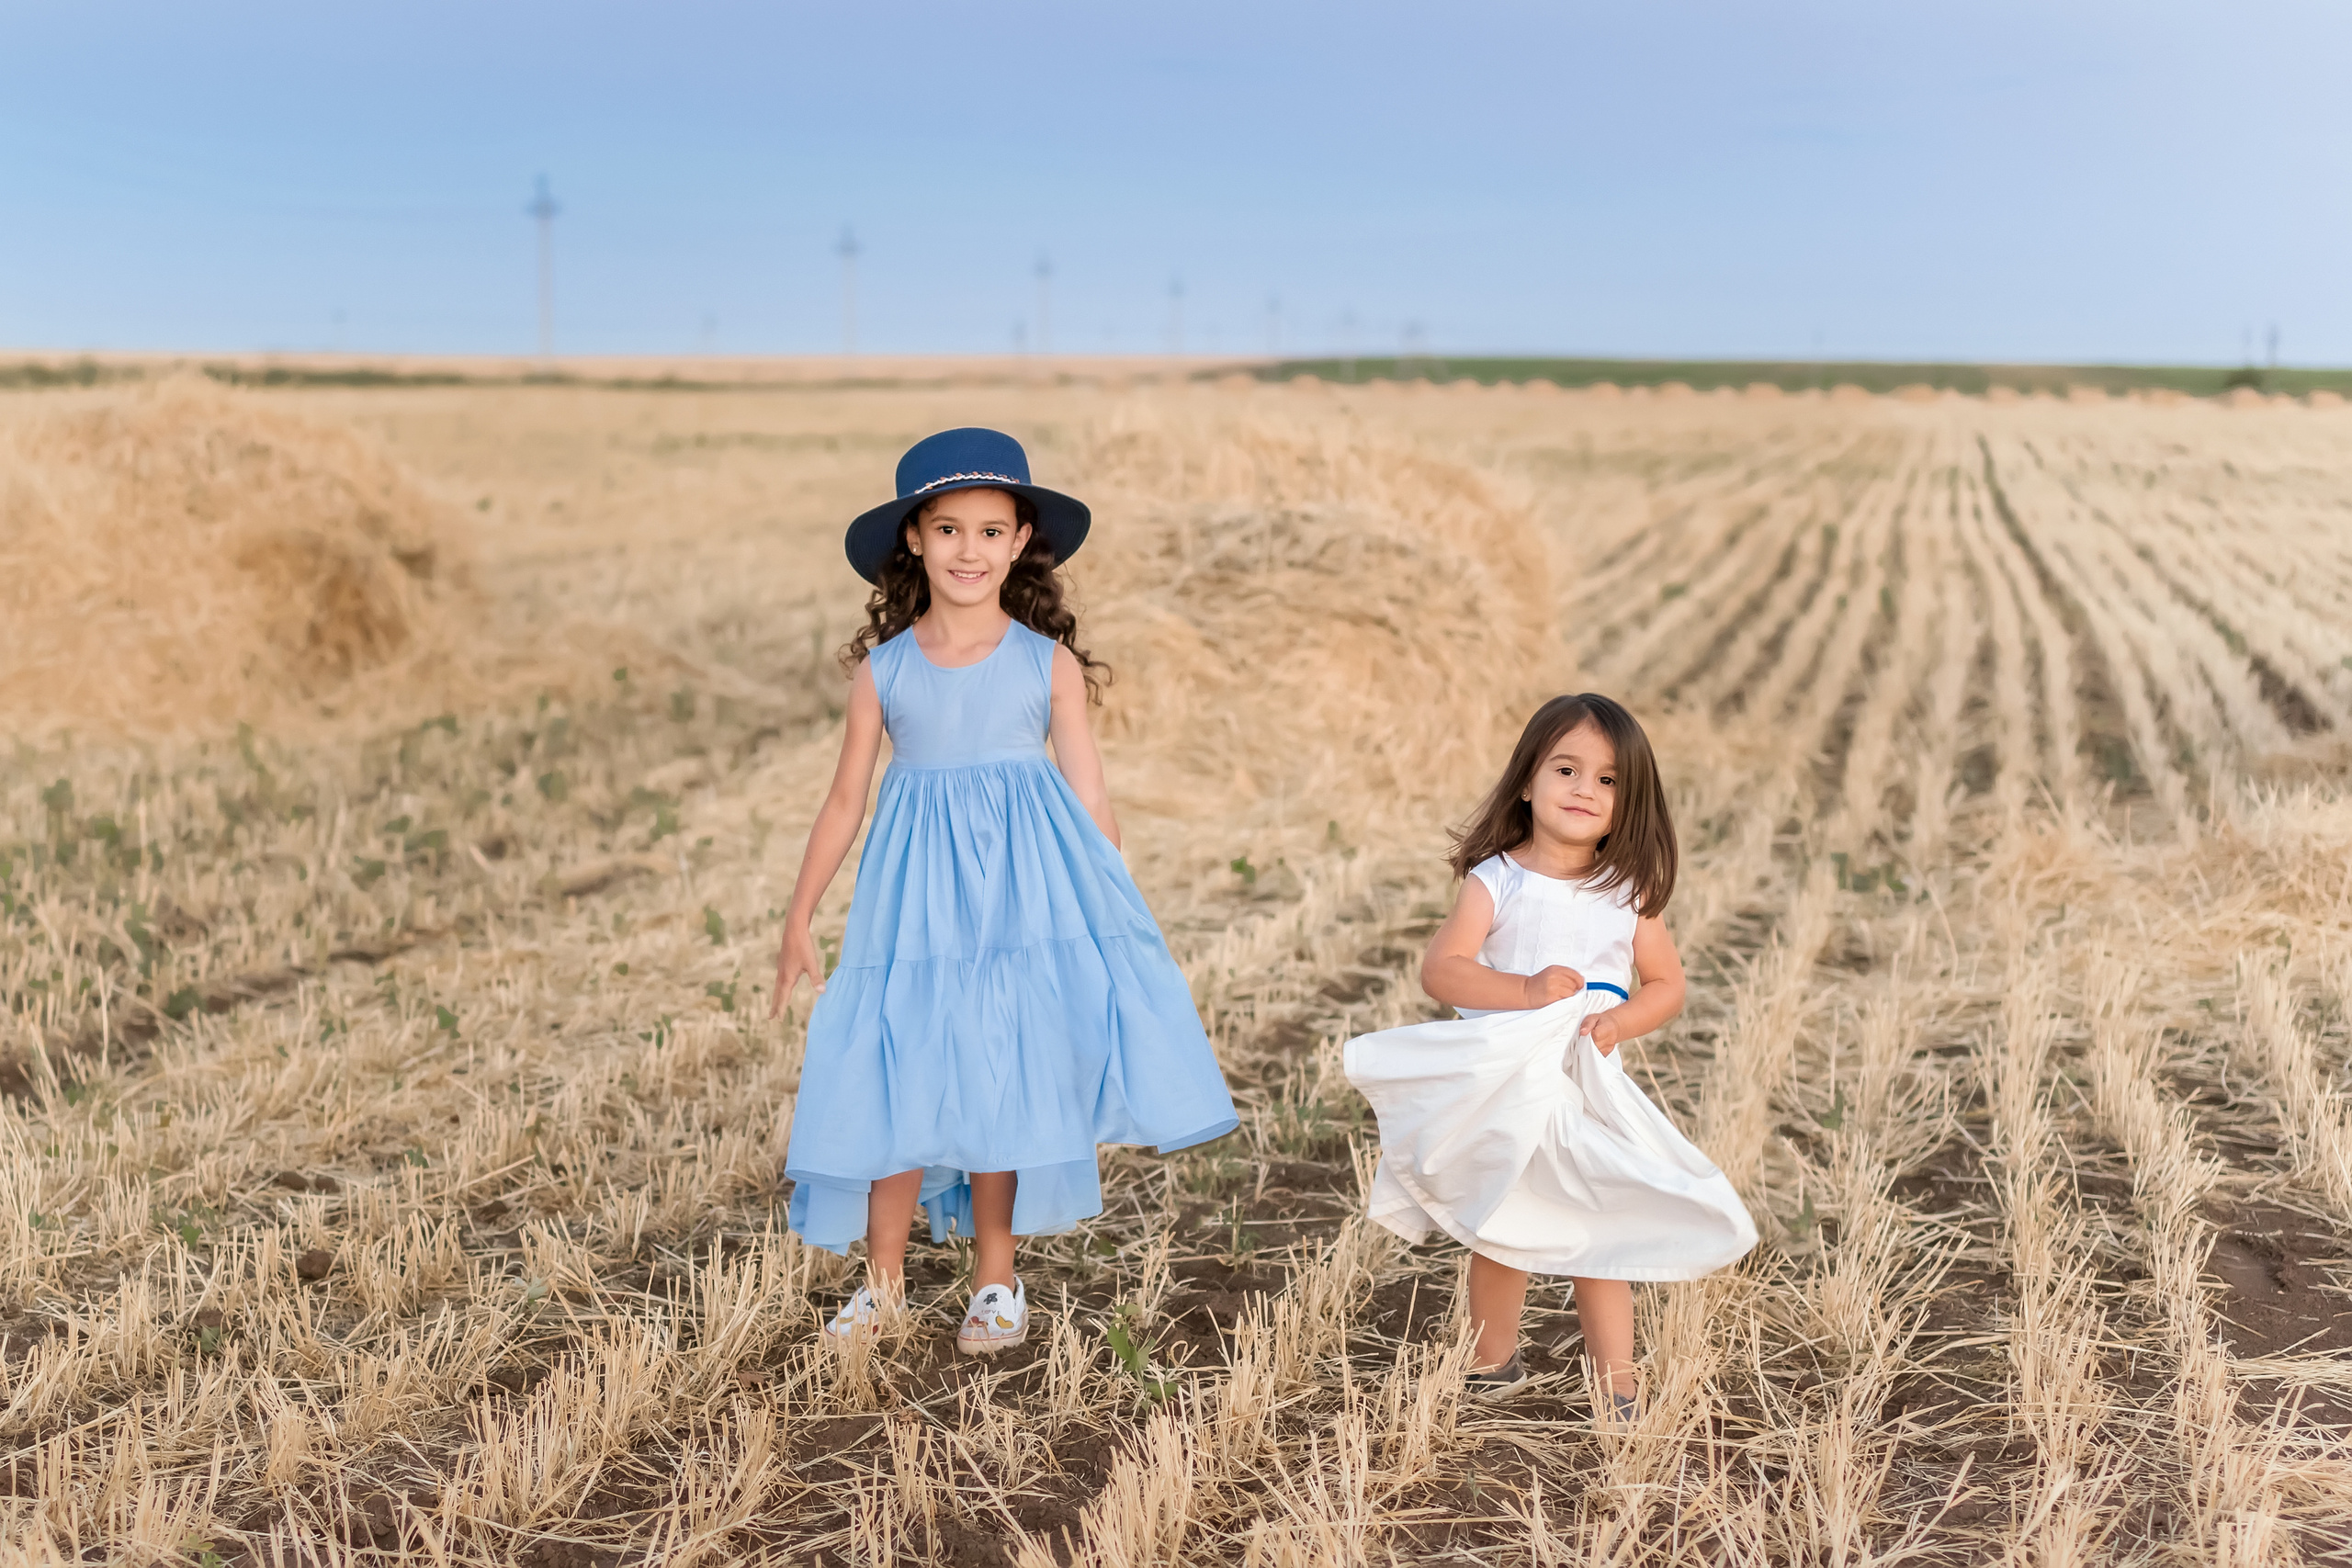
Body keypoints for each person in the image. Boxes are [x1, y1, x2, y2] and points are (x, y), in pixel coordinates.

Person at [771, 427, 1238, 1357]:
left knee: (1002, 1071)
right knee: (898, 1066)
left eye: (991, 531)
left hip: (1024, 900)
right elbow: (843, 800)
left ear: (1022, 542)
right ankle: (881, 1287)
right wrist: (797, 917)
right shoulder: (885, 669)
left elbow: (1089, 793)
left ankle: (995, 1281)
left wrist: (1108, 913)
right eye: (947, 530)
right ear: (913, 541)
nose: (968, 551)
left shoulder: (1046, 663)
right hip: (911, 902)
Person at [1343, 694, 1756, 1423]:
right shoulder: (1496, 880)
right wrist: (1524, 989)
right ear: (1528, 781)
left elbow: (1668, 985)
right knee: (1504, 1225)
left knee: (1597, 1227)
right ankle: (1489, 1364)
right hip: (1506, 1086)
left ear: (1628, 806)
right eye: (1567, 768)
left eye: (1607, 781)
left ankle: (1618, 1387)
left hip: (1586, 1088)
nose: (1583, 789)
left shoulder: (1628, 893)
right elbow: (1443, 970)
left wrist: (1620, 1019)